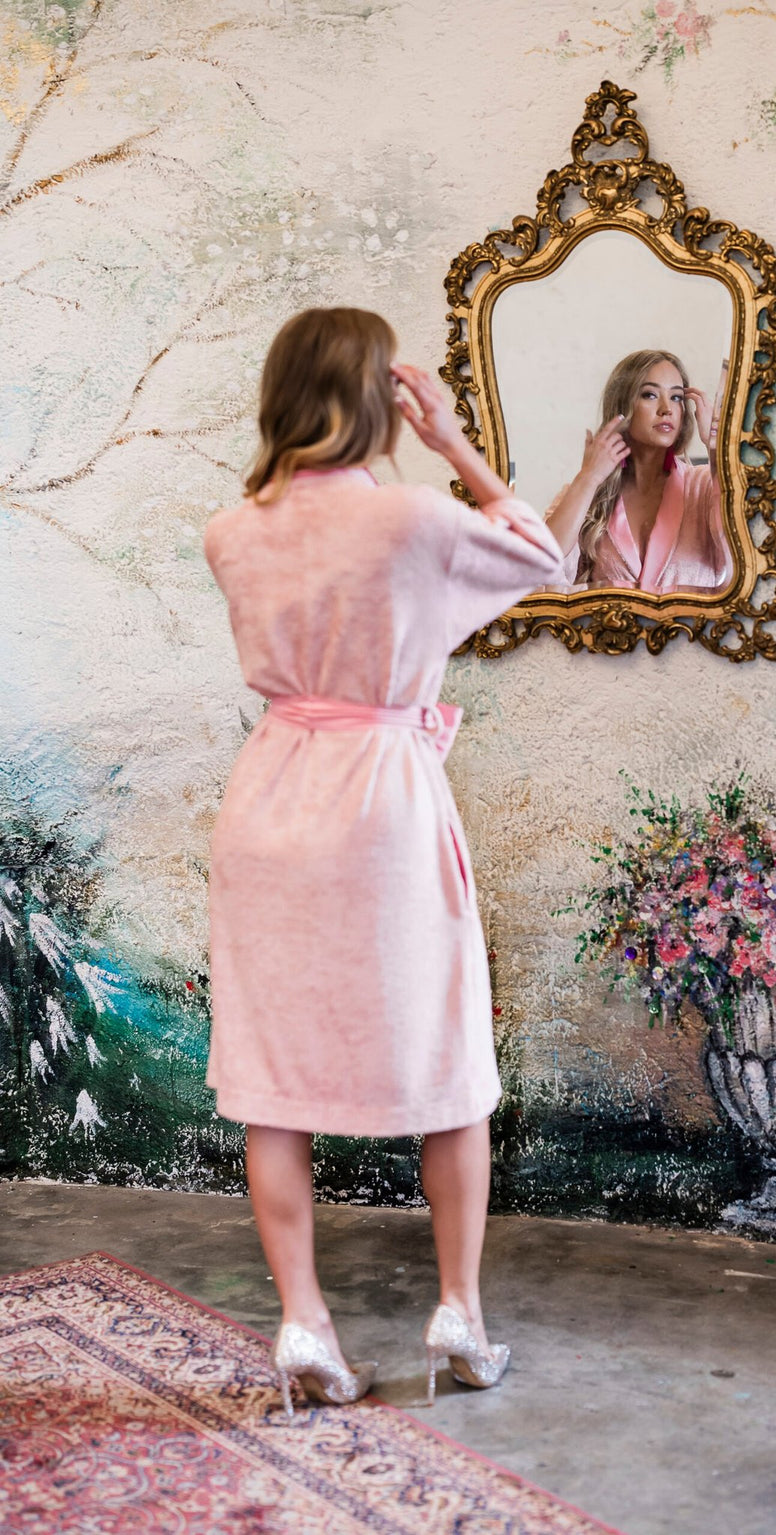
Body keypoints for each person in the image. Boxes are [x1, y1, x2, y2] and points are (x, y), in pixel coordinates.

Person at [203, 307, 563, 1415]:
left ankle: (305, 1321)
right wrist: (452, 441)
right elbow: (543, 556)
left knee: (273, 1078)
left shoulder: (230, 530)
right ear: (377, 398)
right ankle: (457, 1311)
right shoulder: (409, 517)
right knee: (447, 1055)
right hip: (382, 802)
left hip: (269, 797)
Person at [545, 349, 732, 592]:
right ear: (622, 406)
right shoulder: (591, 493)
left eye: (676, 397)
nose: (666, 408)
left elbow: (739, 551)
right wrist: (588, 479)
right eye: (650, 394)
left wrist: (718, 450)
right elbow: (539, 565)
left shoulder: (705, 485)